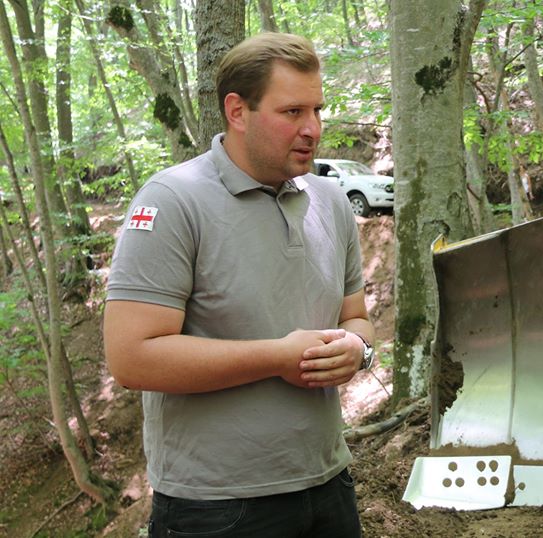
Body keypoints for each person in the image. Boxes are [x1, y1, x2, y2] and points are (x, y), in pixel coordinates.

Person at [103, 32, 374, 537]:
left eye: (317, 110)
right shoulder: (173, 200)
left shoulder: (331, 201)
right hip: (215, 506)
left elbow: (355, 318)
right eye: (292, 112)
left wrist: (359, 350)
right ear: (237, 111)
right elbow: (131, 358)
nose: (313, 128)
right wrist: (277, 357)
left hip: (328, 483)